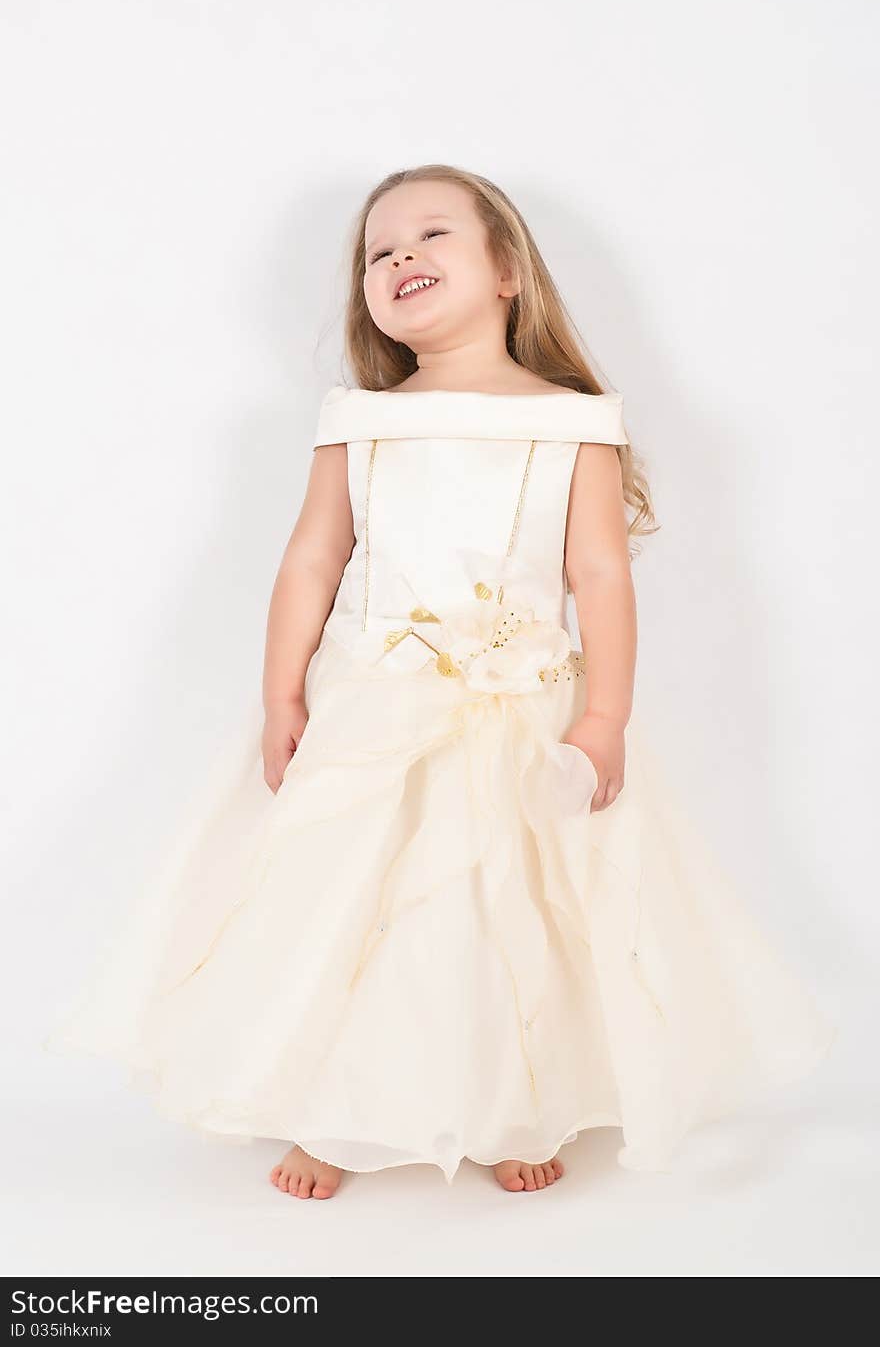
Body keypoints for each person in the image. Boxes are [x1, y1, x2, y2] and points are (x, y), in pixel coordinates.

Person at [46, 163, 834, 1199]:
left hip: (523, 715)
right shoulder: (361, 419)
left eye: (430, 236)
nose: (400, 257)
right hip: (368, 708)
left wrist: (605, 717)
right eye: (379, 252)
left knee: (512, 906)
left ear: (507, 271)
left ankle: (520, 1098)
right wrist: (283, 696)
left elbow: (597, 572)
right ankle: (332, 1109)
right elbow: (312, 561)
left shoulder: (574, 422)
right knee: (347, 905)